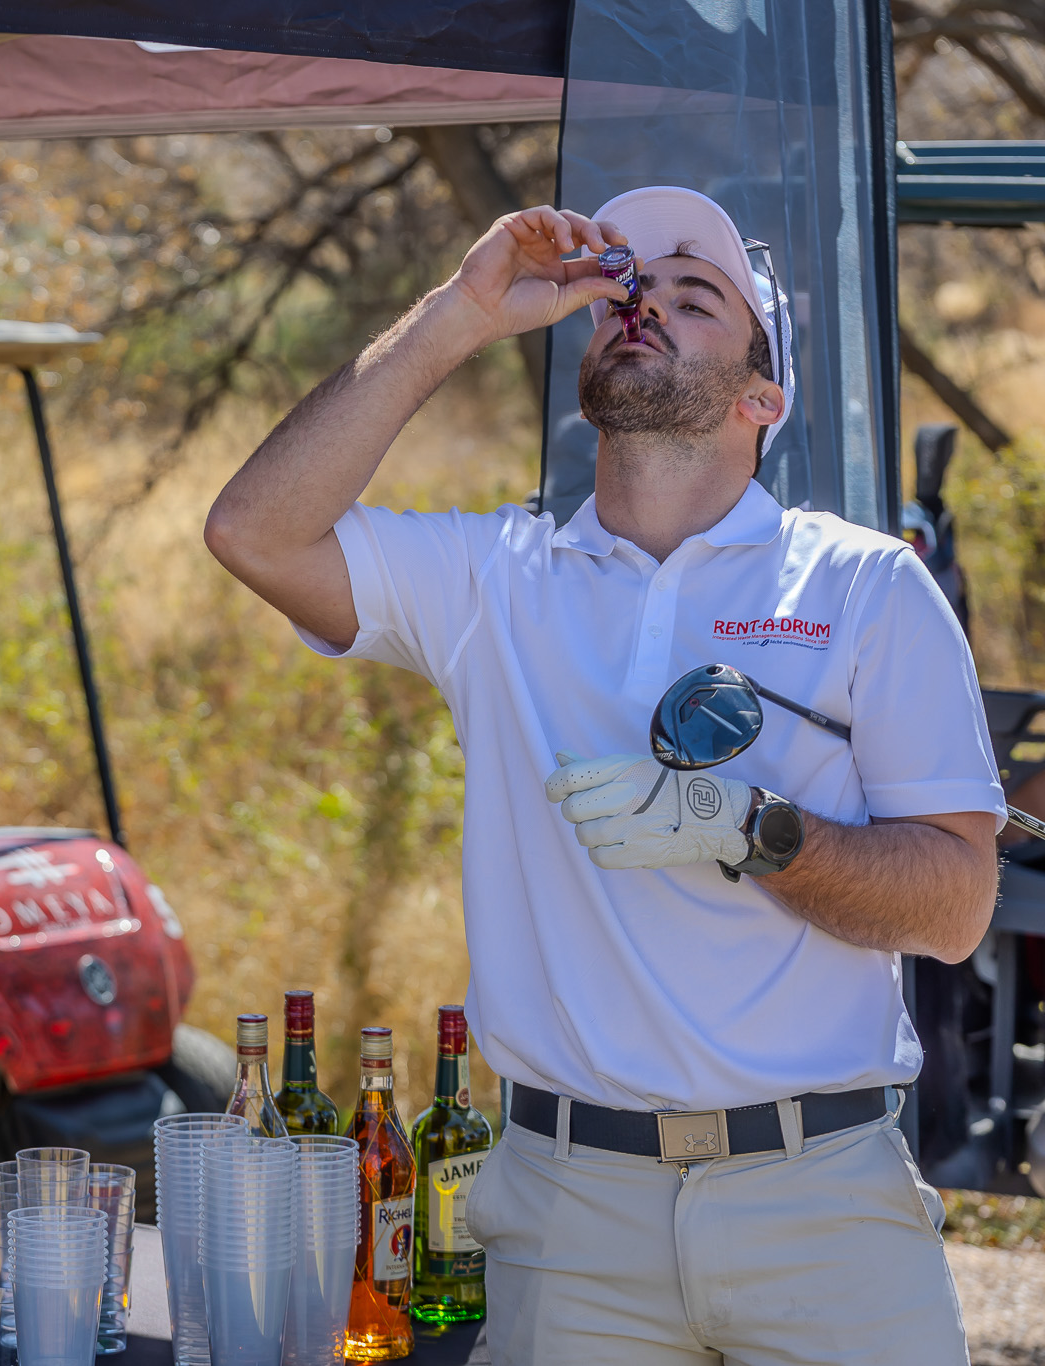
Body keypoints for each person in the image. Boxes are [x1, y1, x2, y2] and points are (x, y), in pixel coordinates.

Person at [204, 186, 999, 1365]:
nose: (645, 304)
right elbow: (253, 532)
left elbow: (953, 905)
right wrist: (461, 312)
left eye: (696, 296)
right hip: (567, 1214)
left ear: (761, 397)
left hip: (823, 1199)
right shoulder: (493, 578)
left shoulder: (863, 585)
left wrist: (746, 825)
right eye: (629, 291)